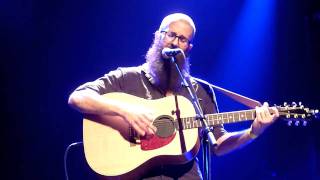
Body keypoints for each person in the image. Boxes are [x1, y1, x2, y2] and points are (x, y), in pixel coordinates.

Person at [68, 13, 279, 179]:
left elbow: (219, 144)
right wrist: (125, 111)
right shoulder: (126, 77)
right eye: (170, 34)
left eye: (182, 39)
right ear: (158, 36)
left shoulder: (199, 91)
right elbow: (78, 97)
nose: (174, 42)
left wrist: (253, 131)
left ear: (188, 48)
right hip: (132, 174)